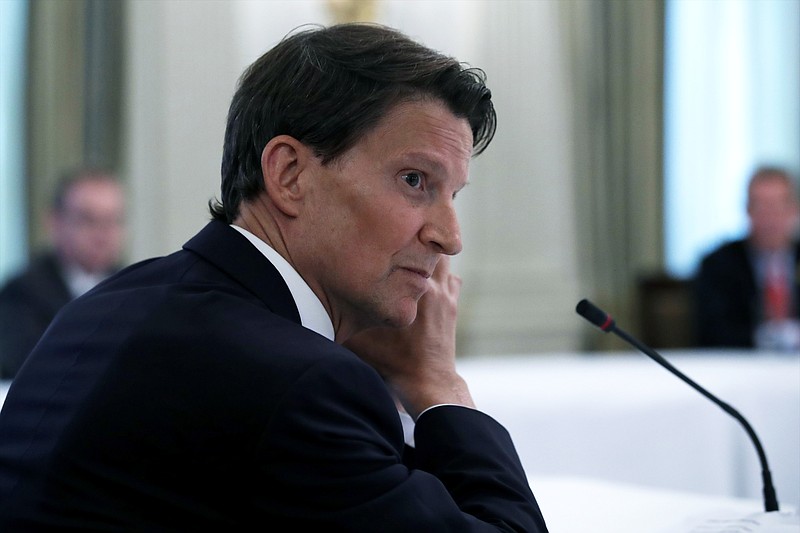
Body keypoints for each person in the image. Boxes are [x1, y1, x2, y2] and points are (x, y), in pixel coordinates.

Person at [0, 23, 549, 531]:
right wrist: (438, 386)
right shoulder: (303, 384)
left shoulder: (109, 303)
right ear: (289, 175)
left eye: (452, 196)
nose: (450, 237)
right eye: (414, 180)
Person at [0, 166, 126, 379]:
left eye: (112, 220)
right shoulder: (23, 292)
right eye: (88, 220)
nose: (103, 234)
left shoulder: (134, 286)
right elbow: (19, 365)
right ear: (55, 222)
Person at [694, 165, 800, 351]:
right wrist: (763, 337)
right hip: (740, 367)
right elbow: (711, 331)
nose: (769, 218)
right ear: (747, 210)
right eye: (761, 207)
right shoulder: (719, 264)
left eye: (776, 206)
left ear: (794, 210)